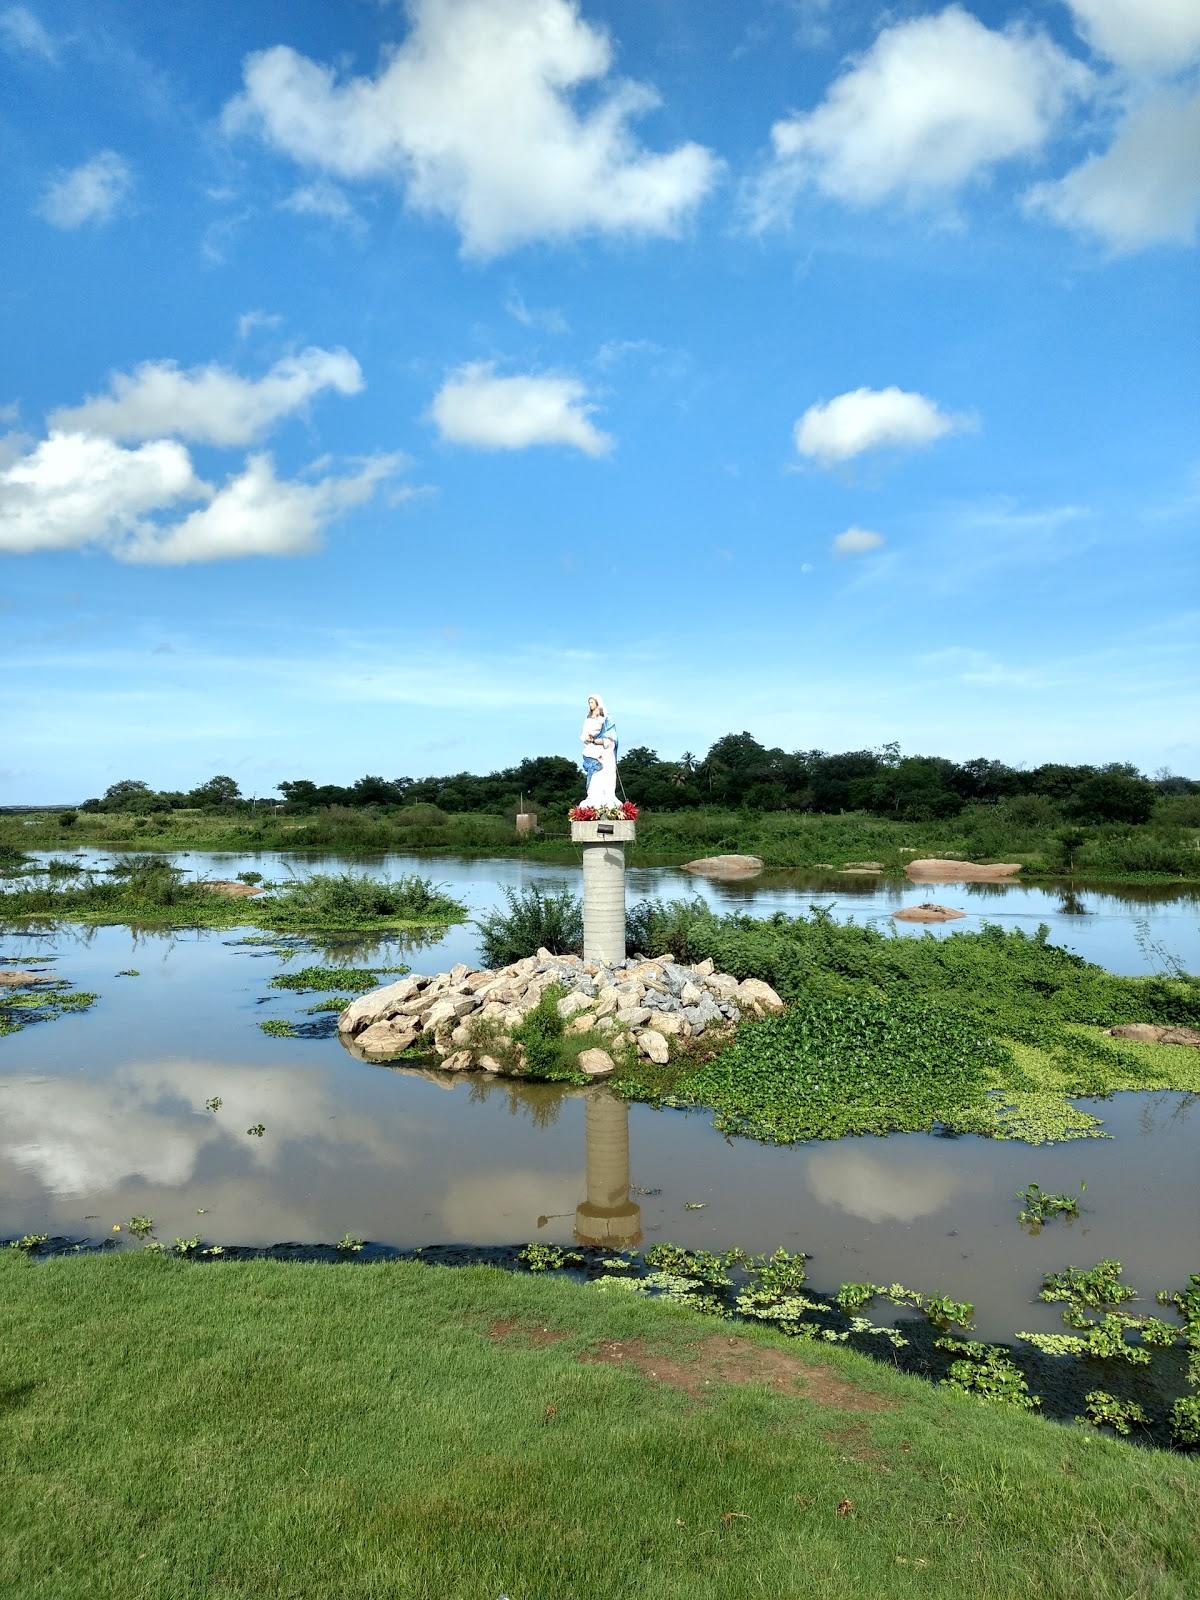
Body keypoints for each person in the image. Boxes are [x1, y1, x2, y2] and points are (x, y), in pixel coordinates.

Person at [580, 695, 618, 807]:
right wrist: (587, 738)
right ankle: (593, 797)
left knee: (603, 774)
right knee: (594, 776)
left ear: (597, 703)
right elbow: (583, 735)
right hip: (591, 751)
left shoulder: (606, 719)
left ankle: (605, 797)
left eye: (592, 702)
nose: (590, 705)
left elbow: (611, 738)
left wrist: (596, 741)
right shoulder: (588, 719)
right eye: (589, 703)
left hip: (603, 752)